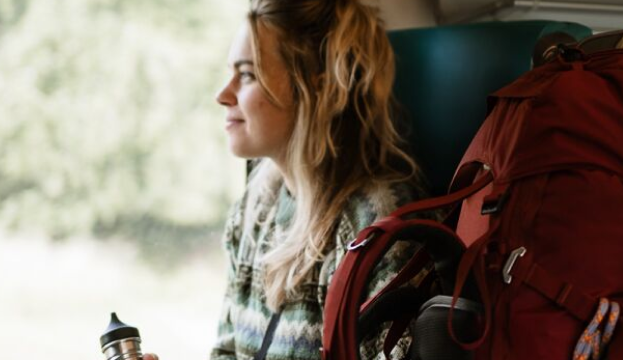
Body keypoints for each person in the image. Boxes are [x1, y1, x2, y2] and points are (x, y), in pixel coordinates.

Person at [148, 0, 425, 359]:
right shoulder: (256, 208)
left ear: (318, 87)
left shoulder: (378, 227)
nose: (222, 95)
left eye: (247, 75)